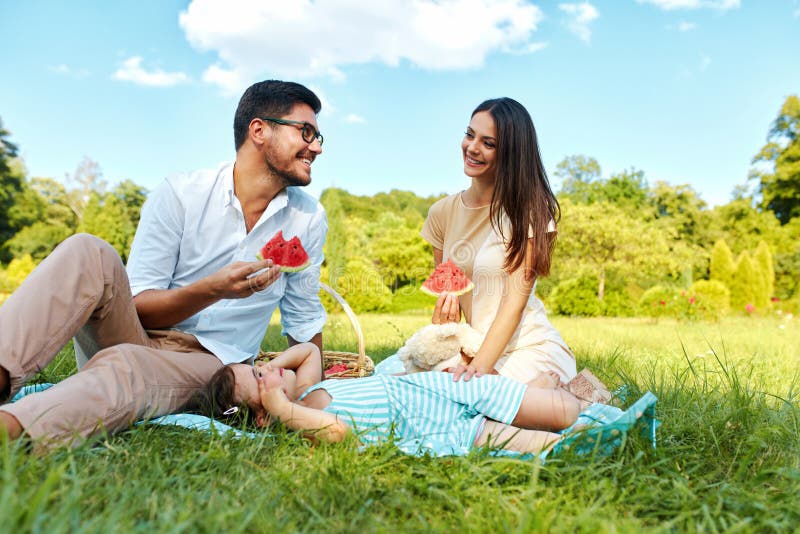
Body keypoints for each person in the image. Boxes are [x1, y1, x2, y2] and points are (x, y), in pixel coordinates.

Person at [0, 80, 328, 447]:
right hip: (137, 333)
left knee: (129, 367)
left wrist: (315, 396)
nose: (315, 146)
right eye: (306, 132)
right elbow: (140, 309)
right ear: (259, 130)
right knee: (87, 251)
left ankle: (10, 430)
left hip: (213, 364)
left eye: (318, 137)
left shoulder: (308, 219)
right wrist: (213, 289)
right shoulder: (181, 194)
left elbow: (302, 316)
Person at [421, 97, 576, 384]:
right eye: (470, 135)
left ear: (511, 154)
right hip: (477, 347)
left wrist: (476, 371)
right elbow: (450, 296)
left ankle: (570, 396)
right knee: (412, 382)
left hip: (528, 351)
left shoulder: (528, 212)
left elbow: (513, 304)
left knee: (473, 402)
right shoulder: (441, 212)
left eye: (488, 143)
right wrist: (445, 326)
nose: (472, 148)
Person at [201, 344, 586, 455]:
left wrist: (274, 374)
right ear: (264, 417)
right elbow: (338, 433)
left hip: (441, 389)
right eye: (258, 377)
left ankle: (537, 391)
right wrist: (283, 410)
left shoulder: (303, 390)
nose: (266, 369)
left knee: (565, 410)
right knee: (545, 443)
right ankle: (593, 439)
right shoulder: (301, 420)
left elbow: (308, 352)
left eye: (256, 365)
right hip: (442, 427)